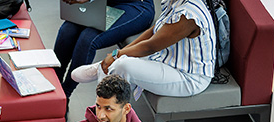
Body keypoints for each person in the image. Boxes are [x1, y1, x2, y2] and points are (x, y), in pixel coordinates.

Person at [69, 0, 215, 98]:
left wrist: (116, 55)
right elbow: (154, 30)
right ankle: (104, 67)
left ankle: (103, 89)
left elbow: (150, 46)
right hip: (167, 58)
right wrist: (120, 53)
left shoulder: (189, 14)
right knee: (124, 58)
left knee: (123, 66)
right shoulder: (175, 1)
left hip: (189, 77)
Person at [54, 0, 156, 98]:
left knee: (88, 38)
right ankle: (54, 85)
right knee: (67, 31)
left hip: (135, 4)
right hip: (105, 2)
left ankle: (65, 93)